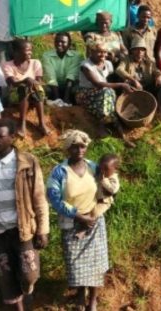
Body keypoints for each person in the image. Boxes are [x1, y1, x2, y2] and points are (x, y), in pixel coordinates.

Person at [47, 130, 110, 311]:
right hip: (72, 222)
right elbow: (54, 198)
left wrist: (92, 214)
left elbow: (107, 187)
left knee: (96, 263)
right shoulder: (59, 171)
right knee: (76, 263)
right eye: (75, 146)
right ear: (68, 149)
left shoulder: (94, 167)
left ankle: (93, 300)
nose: (80, 149)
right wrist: (77, 215)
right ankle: (81, 294)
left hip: (93, 221)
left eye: (82, 146)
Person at [0, 117, 48, 311]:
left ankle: (28, 290)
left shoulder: (27, 162)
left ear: (11, 137)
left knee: (29, 275)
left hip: (23, 229)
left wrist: (43, 229)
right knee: (6, 276)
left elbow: (39, 197)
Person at [77, 42, 136, 146]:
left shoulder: (108, 64)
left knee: (109, 97)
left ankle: (121, 135)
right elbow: (98, 83)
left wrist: (125, 83)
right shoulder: (86, 65)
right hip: (85, 94)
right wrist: (120, 85)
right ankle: (105, 128)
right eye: (99, 52)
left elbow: (110, 79)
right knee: (106, 92)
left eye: (105, 52)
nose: (103, 55)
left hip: (104, 95)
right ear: (91, 52)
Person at [2, 39, 51, 138]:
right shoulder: (7, 65)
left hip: (36, 94)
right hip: (16, 96)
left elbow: (39, 81)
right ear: (16, 51)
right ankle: (22, 123)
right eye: (27, 50)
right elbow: (13, 83)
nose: (30, 53)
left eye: (31, 50)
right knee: (24, 87)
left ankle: (42, 123)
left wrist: (31, 82)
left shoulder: (35, 63)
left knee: (34, 87)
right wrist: (26, 80)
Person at [115, 38, 161, 117]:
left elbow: (158, 72)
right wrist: (134, 80)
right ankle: (129, 106)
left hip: (146, 88)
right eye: (136, 50)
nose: (139, 52)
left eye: (142, 50)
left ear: (145, 52)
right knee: (126, 82)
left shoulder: (149, 62)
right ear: (132, 51)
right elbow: (119, 70)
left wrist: (160, 76)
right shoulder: (126, 60)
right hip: (133, 89)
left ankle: (160, 110)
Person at [42, 32, 82, 103]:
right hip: (53, 87)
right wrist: (57, 98)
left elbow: (71, 76)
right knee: (42, 90)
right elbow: (50, 75)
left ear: (69, 44)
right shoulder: (47, 55)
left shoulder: (76, 56)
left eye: (63, 42)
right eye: (57, 41)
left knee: (77, 91)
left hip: (70, 87)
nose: (59, 44)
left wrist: (66, 97)